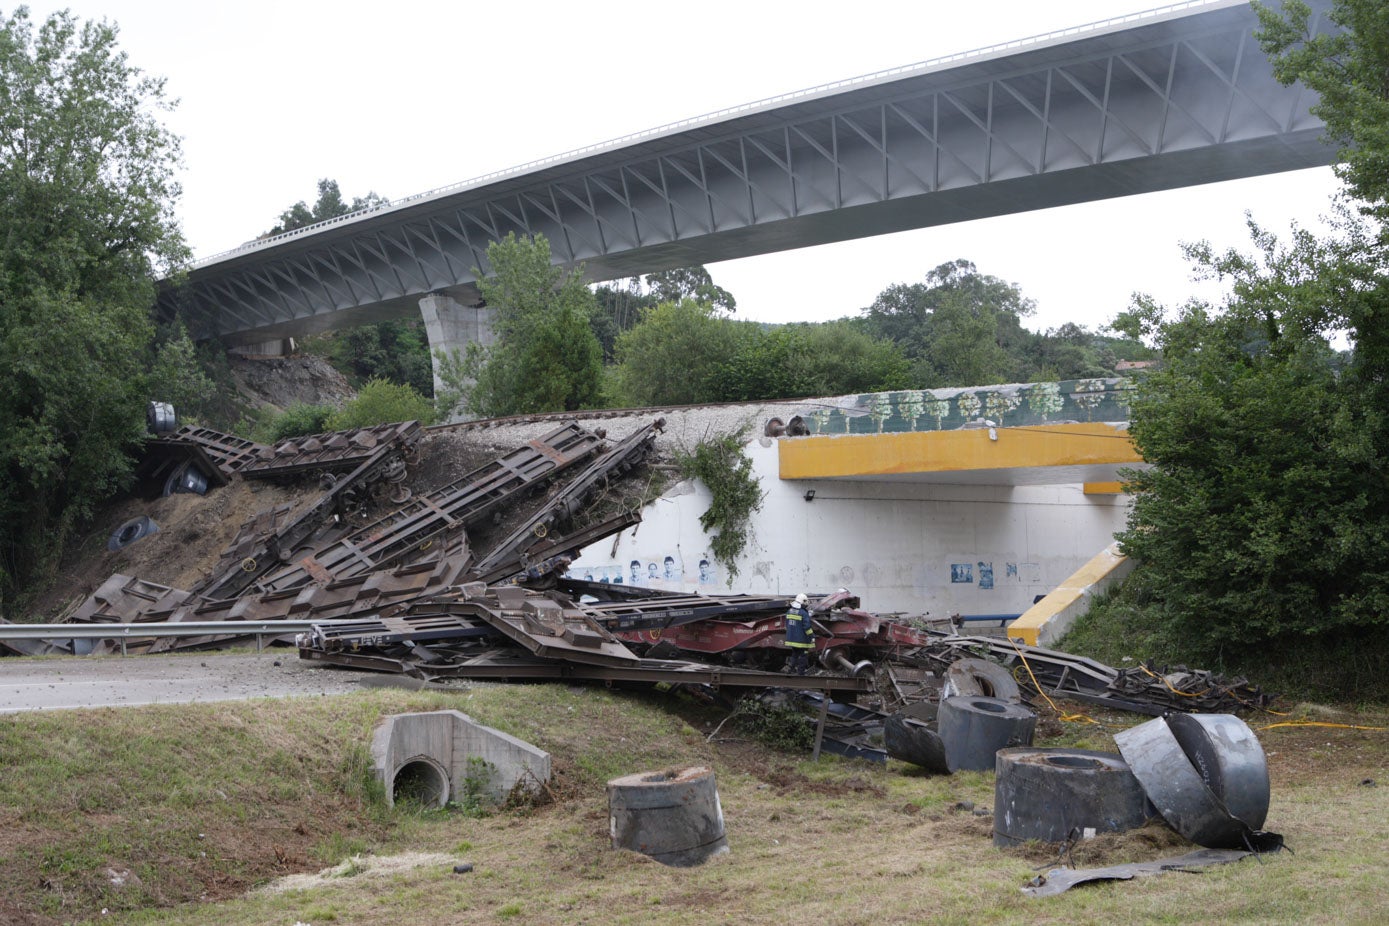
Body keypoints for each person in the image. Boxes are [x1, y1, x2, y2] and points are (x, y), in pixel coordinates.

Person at [783, 592, 815, 676]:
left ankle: (790, 669)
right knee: (803, 656)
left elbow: (787, 625)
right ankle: (800, 673)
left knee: (795, 654)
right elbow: (807, 627)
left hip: (792, 639)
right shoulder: (803, 613)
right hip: (802, 640)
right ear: (802, 602)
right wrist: (812, 636)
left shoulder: (789, 611)